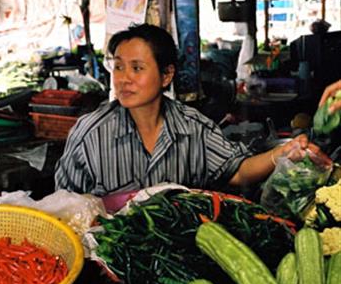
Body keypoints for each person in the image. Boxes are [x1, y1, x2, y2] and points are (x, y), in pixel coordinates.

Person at [55, 24, 317, 197]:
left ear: (167, 74)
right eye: (119, 67)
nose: (123, 79)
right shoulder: (90, 133)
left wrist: (281, 153)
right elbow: (64, 203)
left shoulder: (193, 127)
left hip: (178, 261)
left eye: (137, 68)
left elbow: (236, 170)